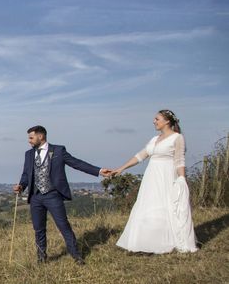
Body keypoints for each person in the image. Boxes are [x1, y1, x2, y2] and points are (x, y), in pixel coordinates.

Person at [13, 126, 113, 265]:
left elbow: (77, 163)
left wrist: (99, 171)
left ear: (40, 136)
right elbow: (26, 174)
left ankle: (76, 256)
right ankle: (41, 259)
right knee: (39, 229)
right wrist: (21, 186)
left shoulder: (59, 150)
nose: (29, 141)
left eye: (31, 138)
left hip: (53, 195)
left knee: (63, 226)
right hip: (35, 197)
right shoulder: (28, 154)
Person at [110, 110, 198, 254]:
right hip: (151, 177)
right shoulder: (154, 139)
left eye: (157, 119)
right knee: (147, 205)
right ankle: (145, 243)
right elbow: (140, 156)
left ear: (167, 121)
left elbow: (179, 160)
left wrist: (182, 179)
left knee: (164, 206)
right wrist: (121, 169)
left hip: (166, 176)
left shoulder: (177, 138)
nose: (154, 121)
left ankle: (165, 242)